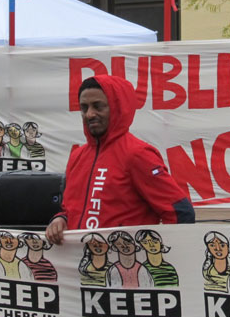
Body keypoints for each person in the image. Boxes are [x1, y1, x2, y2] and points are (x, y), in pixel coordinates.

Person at [45, 75, 194, 243]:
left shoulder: (138, 154)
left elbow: (180, 212)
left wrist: (160, 258)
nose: (89, 114)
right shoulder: (77, 156)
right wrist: (60, 220)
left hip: (126, 266)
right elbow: (69, 210)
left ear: (118, 106)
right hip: (81, 264)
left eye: (98, 106)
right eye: (84, 108)